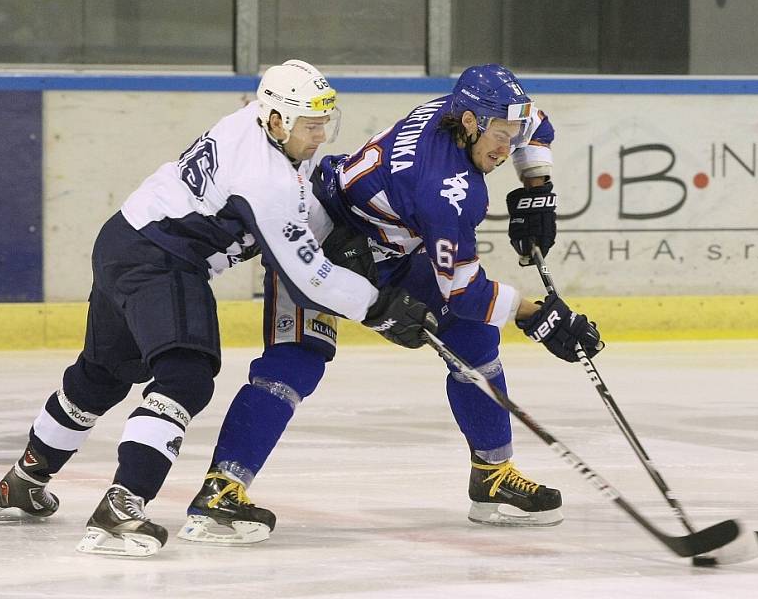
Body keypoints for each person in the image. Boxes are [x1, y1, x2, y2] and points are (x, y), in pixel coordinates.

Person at [0, 59, 435, 557]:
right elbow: (308, 279)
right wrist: (378, 307)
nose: (321, 135)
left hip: (121, 239)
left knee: (103, 373)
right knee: (186, 375)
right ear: (278, 120)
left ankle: (23, 480)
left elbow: (303, 199)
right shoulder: (264, 178)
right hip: (163, 258)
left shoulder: (252, 122)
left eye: (327, 122)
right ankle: (120, 508)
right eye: (311, 124)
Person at [178, 63, 603, 545]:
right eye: (499, 138)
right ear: (469, 122)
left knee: (473, 337)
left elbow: (537, 125)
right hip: (316, 237)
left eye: (511, 135)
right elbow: (463, 291)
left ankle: (492, 476)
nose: (507, 149)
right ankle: (220, 491)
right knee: (296, 362)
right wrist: (539, 316)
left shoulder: (462, 111)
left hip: (389, 249)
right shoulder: (445, 189)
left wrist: (537, 190)